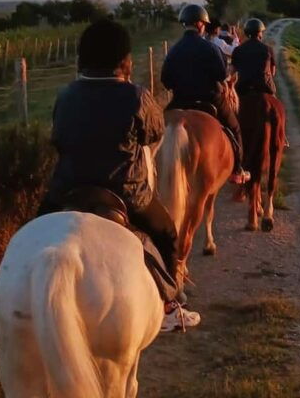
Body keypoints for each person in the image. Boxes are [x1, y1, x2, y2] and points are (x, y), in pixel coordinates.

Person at [38, 19, 200, 332]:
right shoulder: (137, 96)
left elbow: (57, 138)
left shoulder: (66, 95)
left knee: (30, 233)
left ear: (82, 59)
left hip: (66, 190)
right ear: (124, 61)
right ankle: (170, 304)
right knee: (167, 234)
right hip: (125, 193)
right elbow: (153, 134)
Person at [161, 4, 250, 184]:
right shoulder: (210, 48)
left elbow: (166, 80)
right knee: (235, 128)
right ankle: (238, 170)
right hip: (209, 100)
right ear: (201, 24)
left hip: (180, 101)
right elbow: (220, 75)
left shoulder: (173, 50)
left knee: (158, 130)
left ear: (185, 24)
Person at [232, 18, 276, 97]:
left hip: (242, 88)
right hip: (264, 87)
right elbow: (272, 72)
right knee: (278, 106)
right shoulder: (268, 49)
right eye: (262, 32)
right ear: (259, 33)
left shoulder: (238, 49)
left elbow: (233, 71)